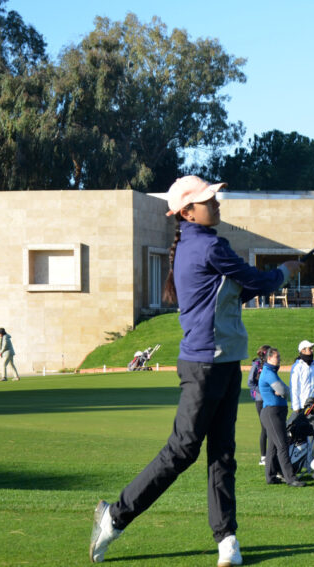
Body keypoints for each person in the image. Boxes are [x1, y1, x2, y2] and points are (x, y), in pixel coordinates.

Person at [88, 175, 301, 566]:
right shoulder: (208, 245)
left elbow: (240, 287)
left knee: (223, 453)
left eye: (215, 199)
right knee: (183, 450)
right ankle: (115, 515)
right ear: (187, 212)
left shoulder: (195, 244)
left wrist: (271, 278)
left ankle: (227, 541)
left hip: (223, 364)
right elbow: (255, 280)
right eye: (208, 201)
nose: (216, 204)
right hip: (205, 367)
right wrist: (284, 271)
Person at [258, 347, 306, 487]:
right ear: (269, 359)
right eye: (277, 357)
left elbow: (284, 390)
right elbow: (283, 390)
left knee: (273, 447)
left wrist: (282, 391)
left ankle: (271, 476)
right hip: (272, 413)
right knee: (282, 445)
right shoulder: (268, 373)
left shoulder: (271, 372)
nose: (279, 359)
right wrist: (282, 391)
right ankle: (291, 478)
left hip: (276, 413)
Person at [247, 345, 270, 466]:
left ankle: (270, 455)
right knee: (265, 427)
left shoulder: (270, 366)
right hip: (260, 400)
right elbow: (250, 382)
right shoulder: (256, 365)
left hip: (270, 400)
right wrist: (261, 390)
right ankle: (263, 457)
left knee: (271, 427)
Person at [289, 339, 314, 421]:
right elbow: (294, 387)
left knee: (312, 430)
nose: (312, 350)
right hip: (302, 404)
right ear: (303, 350)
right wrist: (296, 406)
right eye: (310, 349)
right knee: (301, 430)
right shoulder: (297, 366)